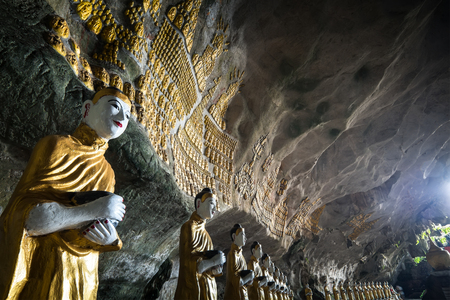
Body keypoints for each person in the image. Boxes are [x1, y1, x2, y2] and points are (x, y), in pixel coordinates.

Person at [0, 87, 130, 300]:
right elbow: (29, 218)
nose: (122, 117)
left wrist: (112, 240)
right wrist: (93, 209)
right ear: (87, 109)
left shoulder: (108, 172)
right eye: (115, 106)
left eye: (128, 115)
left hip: (85, 271)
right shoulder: (55, 146)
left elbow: (100, 226)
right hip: (48, 263)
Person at [175, 188, 225, 300]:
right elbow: (189, 264)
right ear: (198, 204)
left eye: (216, 205)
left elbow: (206, 269)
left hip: (208, 289)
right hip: (194, 290)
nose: (215, 208)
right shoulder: (188, 227)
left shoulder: (207, 236)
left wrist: (216, 268)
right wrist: (213, 261)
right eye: (211, 203)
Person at [224, 224, 254, 300]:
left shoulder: (241, 256)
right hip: (234, 294)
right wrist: (246, 279)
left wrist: (248, 281)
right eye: (242, 235)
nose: (245, 238)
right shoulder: (232, 254)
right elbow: (232, 278)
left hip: (243, 292)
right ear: (234, 236)